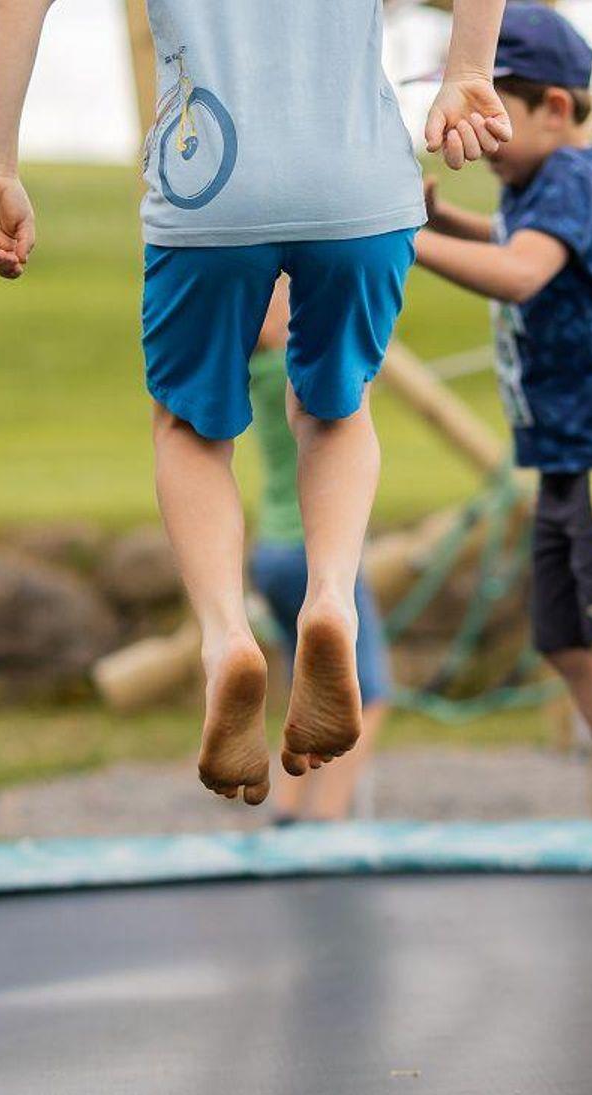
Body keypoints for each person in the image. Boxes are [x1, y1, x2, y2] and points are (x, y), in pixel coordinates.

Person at [0, 0, 510, 805]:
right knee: (335, 410)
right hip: (357, 185)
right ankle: (333, 604)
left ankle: (225, 643)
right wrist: (467, 71)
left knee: (188, 430)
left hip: (209, 187)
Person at [411, 6, 592, 941]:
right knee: (565, 642)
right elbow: (508, 239)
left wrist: (402, 244)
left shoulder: (577, 178)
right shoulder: (534, 182)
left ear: (551, 107)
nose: (474, 139)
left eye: (489, 116)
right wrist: (436, 217)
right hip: (563, 453)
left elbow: (521, 275)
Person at [247, 283, 393, 823]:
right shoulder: (305, 372)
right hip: (317, 552)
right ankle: (328, 815)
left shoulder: (256, 372)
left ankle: (287, 807)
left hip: (270, 553)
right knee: (367, 694)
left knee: (305, 689)